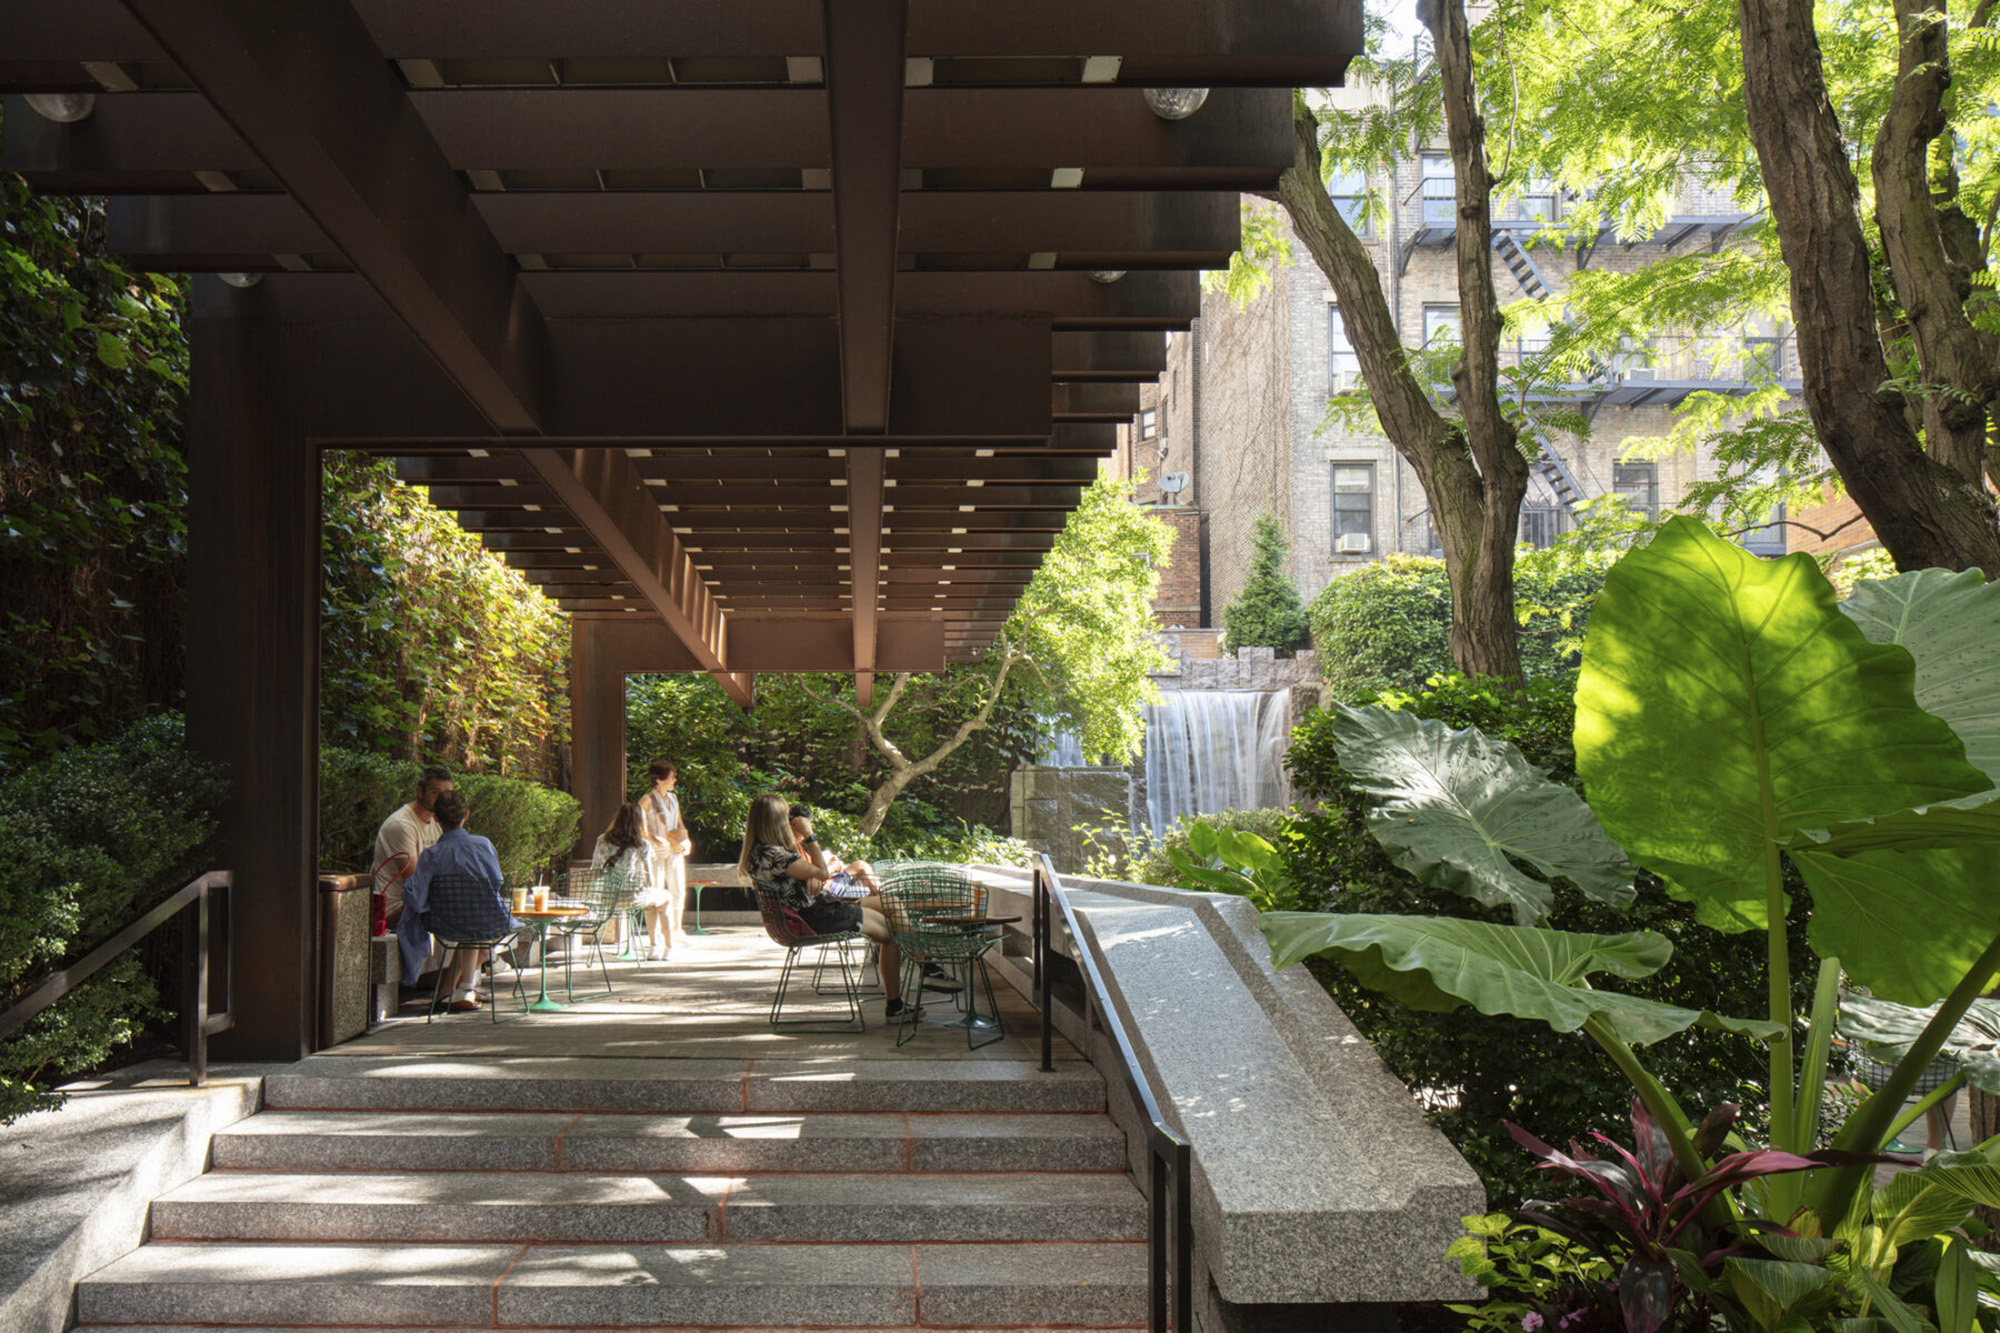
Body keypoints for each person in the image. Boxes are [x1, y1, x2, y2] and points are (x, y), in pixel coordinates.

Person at [739, 792, 912, 1019]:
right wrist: (810, 834)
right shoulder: (776, 854)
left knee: (889, 903)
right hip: (819, 916)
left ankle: (923, 968)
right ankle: (900, 998)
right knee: (889, 933)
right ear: (777, 821)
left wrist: (810, 877)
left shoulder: (758, 854)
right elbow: (822, 872)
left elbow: (811, 875)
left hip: (816, 909)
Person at [396, 791, 516, 1012]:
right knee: (480, 926)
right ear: (466, 815)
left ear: (437, 819)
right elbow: (496, 880)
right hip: (488, 920)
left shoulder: (432, 854)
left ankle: (457, 991)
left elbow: (415, 897)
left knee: (469, 927)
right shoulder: (484, 845)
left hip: (444, 924)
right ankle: (464, 988)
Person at [372, 764, 453, 926]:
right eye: (435, 793)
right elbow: (416, 880)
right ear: (419, 791)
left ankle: (482, 952)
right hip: (396, 908)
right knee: (462, 912)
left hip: (421, 903)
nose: (441, 800)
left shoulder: (437, 822)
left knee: (478, 911)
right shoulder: (402, 824)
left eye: (446, 794)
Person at [637, 759, 690, 960]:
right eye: (670, 778)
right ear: (658, 780)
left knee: (677, 890)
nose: (674, 781)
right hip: (657, 852)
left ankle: (675, 932)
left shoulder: (673, 799)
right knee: (656, 892)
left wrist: (686, 841)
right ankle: (656, 941)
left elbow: (679, 823)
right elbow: (638, 825)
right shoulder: (647, 799)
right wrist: (652, 839)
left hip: (675, 850)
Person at [591, 801, 657, 937]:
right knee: (665, 900)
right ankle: (658, 946)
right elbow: (650, 880)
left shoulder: (602, 840)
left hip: (607, 900)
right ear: (640, 821)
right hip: (633, 899)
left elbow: (595, 872)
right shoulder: (644, 844)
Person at [788, 804, 880, 898]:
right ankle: (881, 898)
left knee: (861, 865)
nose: (805, 833)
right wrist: (833, 867)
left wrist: (830, 862)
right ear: (794, 826)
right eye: (804, 827)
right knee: (868, 893)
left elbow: (813, 867)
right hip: (828, 890)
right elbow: (815, 876)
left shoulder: (797, 845)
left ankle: (881, 895)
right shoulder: (790, 850)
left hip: (830, 880)